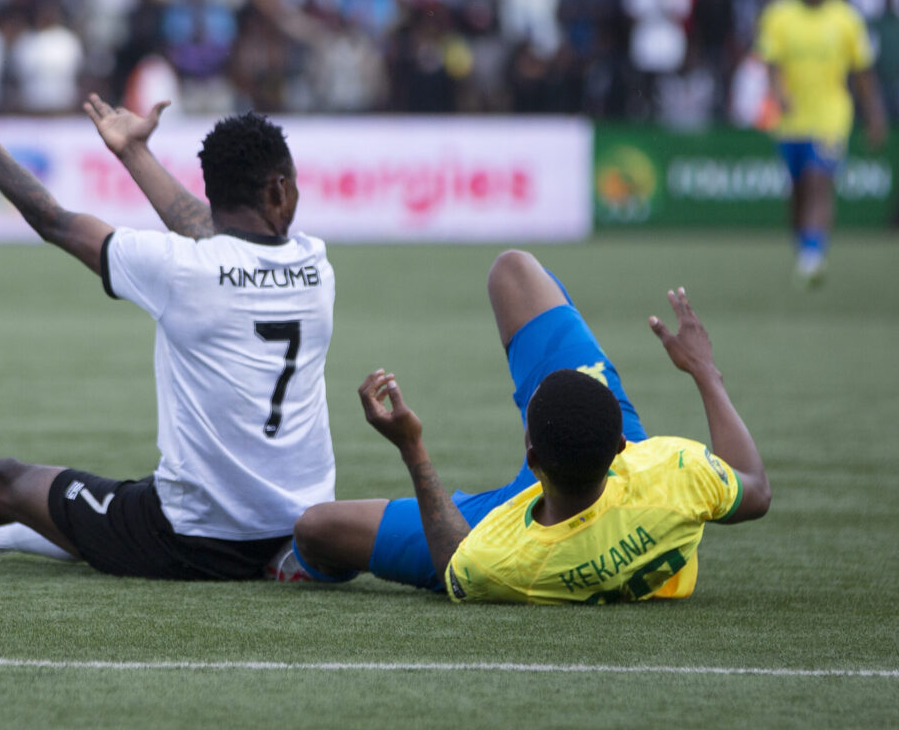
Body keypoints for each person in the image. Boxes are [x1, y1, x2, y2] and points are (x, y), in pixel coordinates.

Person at [0, 68, 336, 580]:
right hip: (297, 531)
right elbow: (205, 230)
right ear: (279, 191)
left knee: (9, 480)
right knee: (106, 505)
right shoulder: (315, 265)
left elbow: (52, 218)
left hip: (193, 537)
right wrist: (135, 151)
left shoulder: (180, 269)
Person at [288, 250, 771, 603]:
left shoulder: (505, 558)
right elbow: (756, 491)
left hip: (507, 519)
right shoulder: (676, 469)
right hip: (606, 477)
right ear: (622, 442)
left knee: (315, 530)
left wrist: (413, 448)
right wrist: (706, 372)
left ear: (531, 455)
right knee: (515, 273)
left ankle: (299, 569)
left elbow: (456, 560)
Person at [756, 0, 888, 288]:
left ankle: (813, 255)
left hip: (831, 116)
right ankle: (804, 246)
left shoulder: (846, 19)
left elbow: (862, 72)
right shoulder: (779, 15)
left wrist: (874, 115)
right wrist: (778, 93)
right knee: (799, 190)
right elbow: (771, 63)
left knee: (818, 182)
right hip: (791, 120)